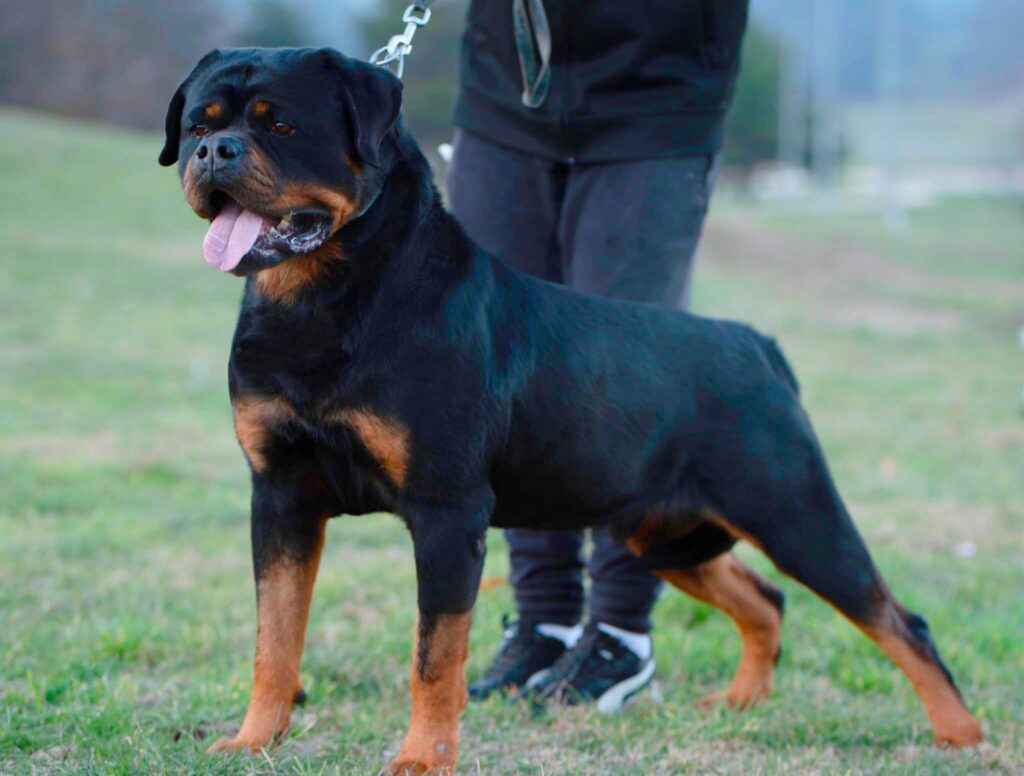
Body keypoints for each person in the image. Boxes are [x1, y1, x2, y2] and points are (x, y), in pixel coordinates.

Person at [445, 0, 750, 711]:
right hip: (507, 86)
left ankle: (620, 631)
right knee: (499, 362)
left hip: (659, 90)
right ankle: (544, 619)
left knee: (621, 377)